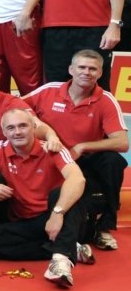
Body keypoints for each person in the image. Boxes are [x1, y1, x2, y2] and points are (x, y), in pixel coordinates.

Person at [0, 109, 90, 288]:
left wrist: (57, 213)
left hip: (60, 217)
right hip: (27, 222)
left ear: (34, 127)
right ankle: (69, 246)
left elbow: (78, 179)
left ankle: (61, 260)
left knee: (64, 192)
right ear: (4, 132)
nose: (17, 132)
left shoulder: (51, 149)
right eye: (11, 128)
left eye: (23, 126)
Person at [22, 49, 128, 251]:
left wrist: (82, 146)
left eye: (92, 69)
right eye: (82, 67)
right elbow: (14, 104)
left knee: (113, 161)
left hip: (83, 159)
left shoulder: (106, 99)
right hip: (50, 156)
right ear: (71, 69)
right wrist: (35, 121)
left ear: (100, 73)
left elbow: (122, 143)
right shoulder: (49, 90)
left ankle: (104, 227)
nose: (86, 72)